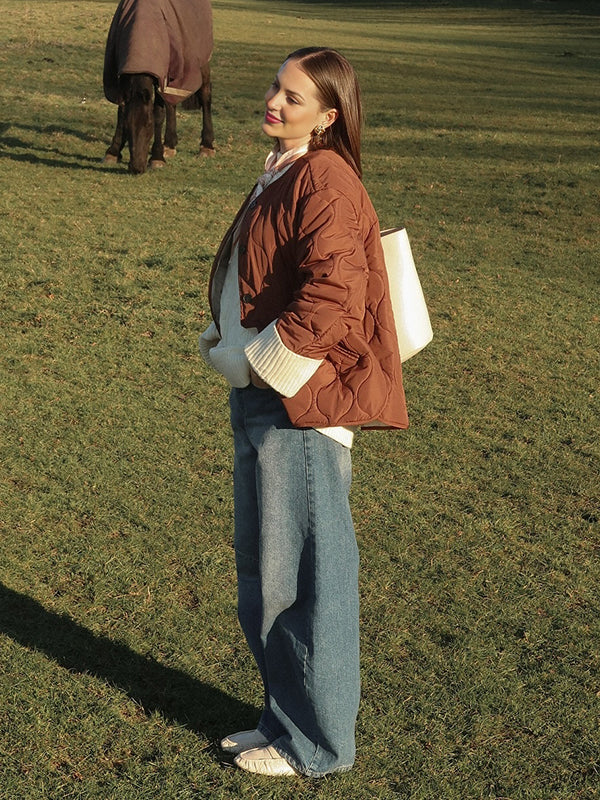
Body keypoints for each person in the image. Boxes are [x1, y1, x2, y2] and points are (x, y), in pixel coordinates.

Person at [199, 47, 409, 778]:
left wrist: (265, 364)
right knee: (266, 574)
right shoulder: (285, 168)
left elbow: (333, 295)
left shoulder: (324, 176)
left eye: (293, 97)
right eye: (274, 88)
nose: (275, 102)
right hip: (265, 399)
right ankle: (282, 720)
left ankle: (316, 745)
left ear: (329, 114)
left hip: (300, 409)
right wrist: (224, 337)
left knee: (307, 580)